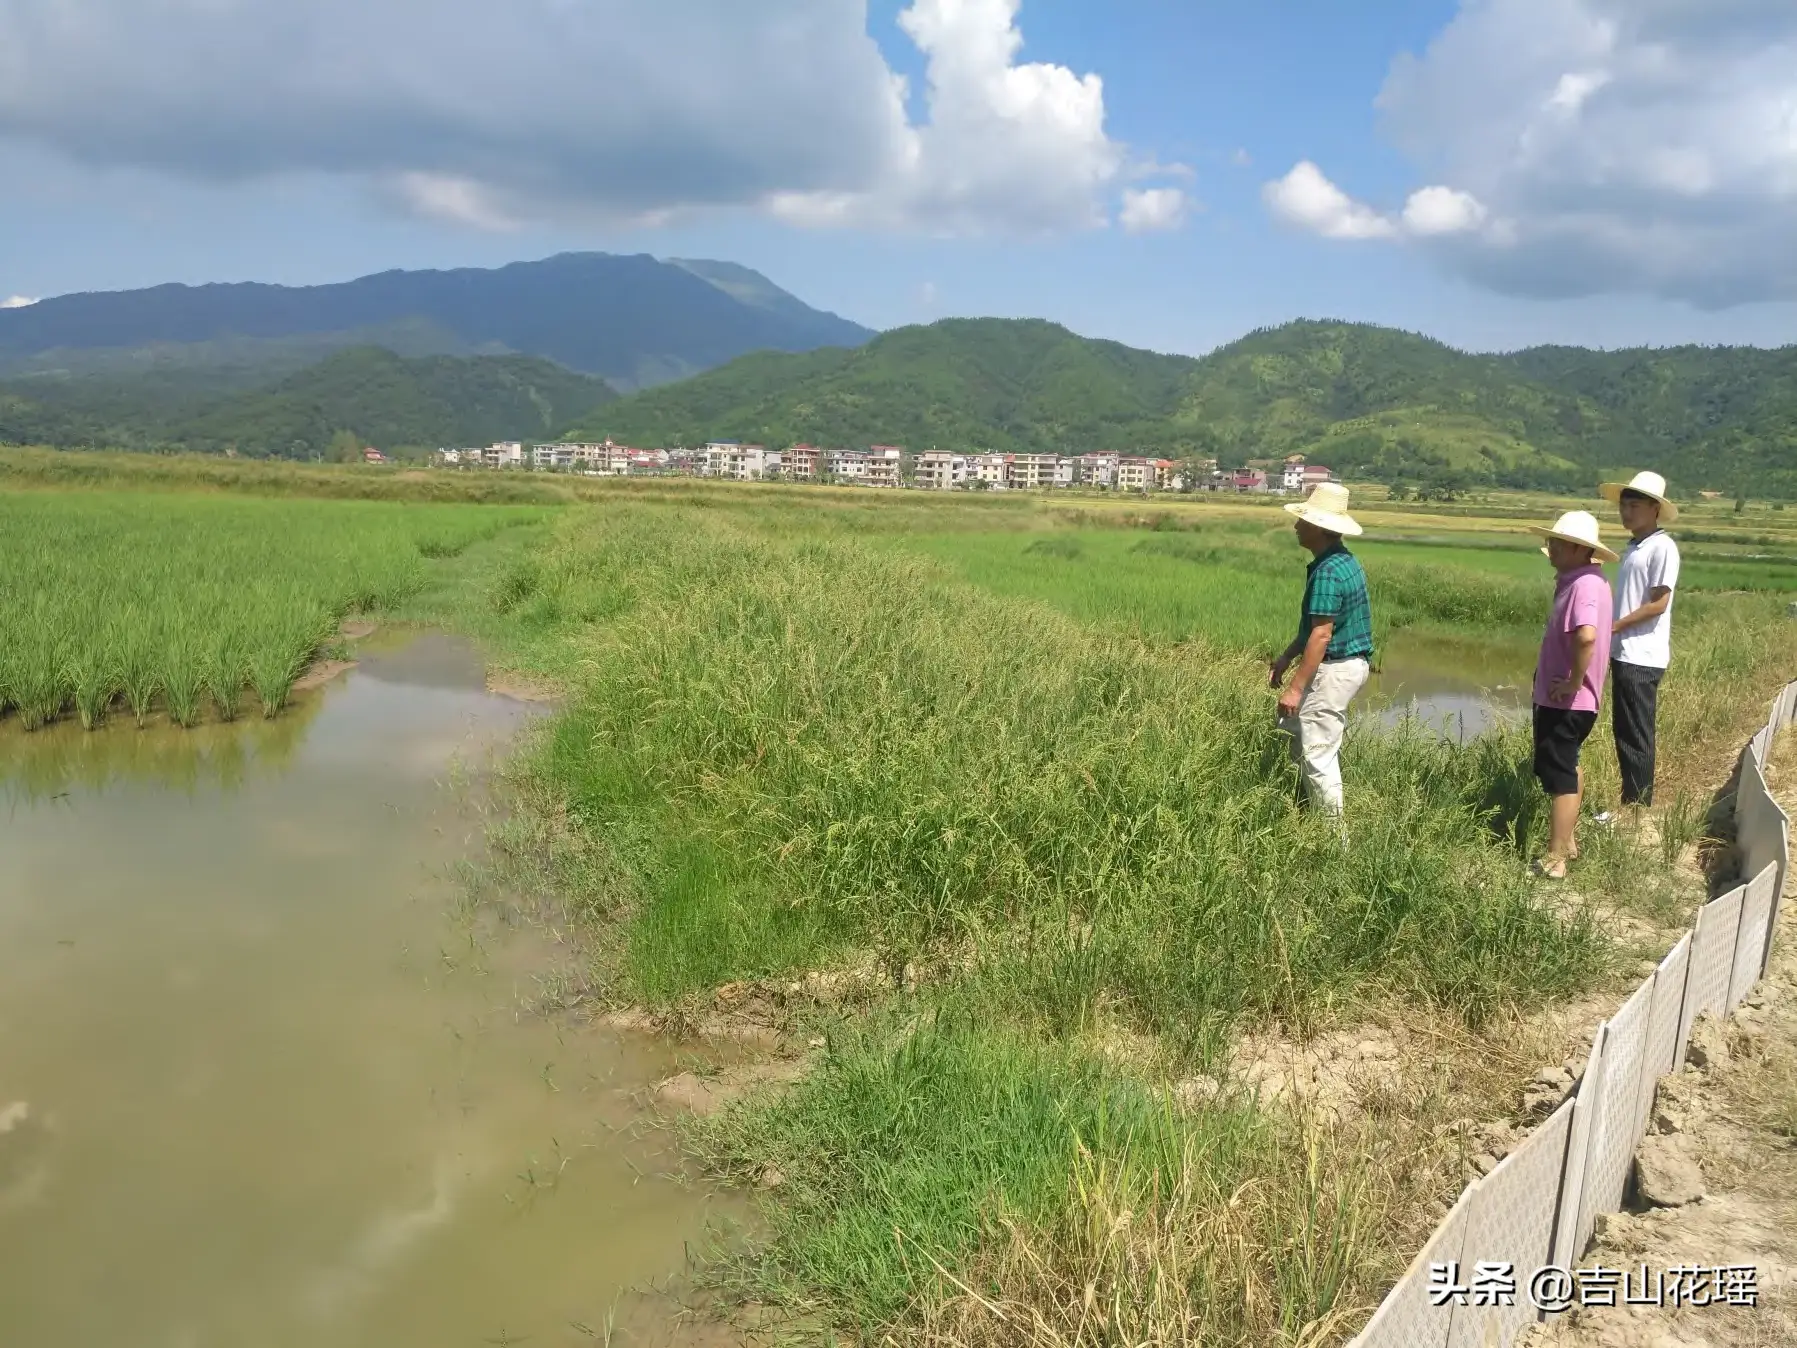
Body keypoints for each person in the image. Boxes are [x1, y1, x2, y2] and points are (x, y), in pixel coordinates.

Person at [1270, 482, 1373, 819]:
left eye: (1304, 520)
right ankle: (1302, 810)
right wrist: (1286, 656)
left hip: (1335, 670)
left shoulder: (1328, 572)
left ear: (1319, 528)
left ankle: (1332, 841)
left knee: (1318, 755)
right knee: (1296, 732)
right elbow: (1314, 628)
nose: (1297, 525)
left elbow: (1321, 634)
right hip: (1346, 666)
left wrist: (1296, 688)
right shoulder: (1343, 561)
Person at [1526, 510, 1617, 879]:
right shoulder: (1580, 580)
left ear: (1581, 549)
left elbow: (1587, 636)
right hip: (1568, 699)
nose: (1551, 548)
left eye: (1558, 543)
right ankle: (1569, 840)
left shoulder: (1585, 585)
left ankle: (1556, 858)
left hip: (1567, 701)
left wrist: (1573, 682)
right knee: (1569, 765)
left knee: (1560, 774)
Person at [1599, 471, 1681, 810]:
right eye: (1623, 505)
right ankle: (1630, 801)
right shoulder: (1635, 547)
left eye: (1634, 505)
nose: (1626, 512)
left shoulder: (1662, 547)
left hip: (1641, 654)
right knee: (1625, 730)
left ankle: (1636, 807)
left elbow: (1659, 603)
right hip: (1626, 651)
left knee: (1636, 733)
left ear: (1655, 508)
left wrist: (1615, 625)